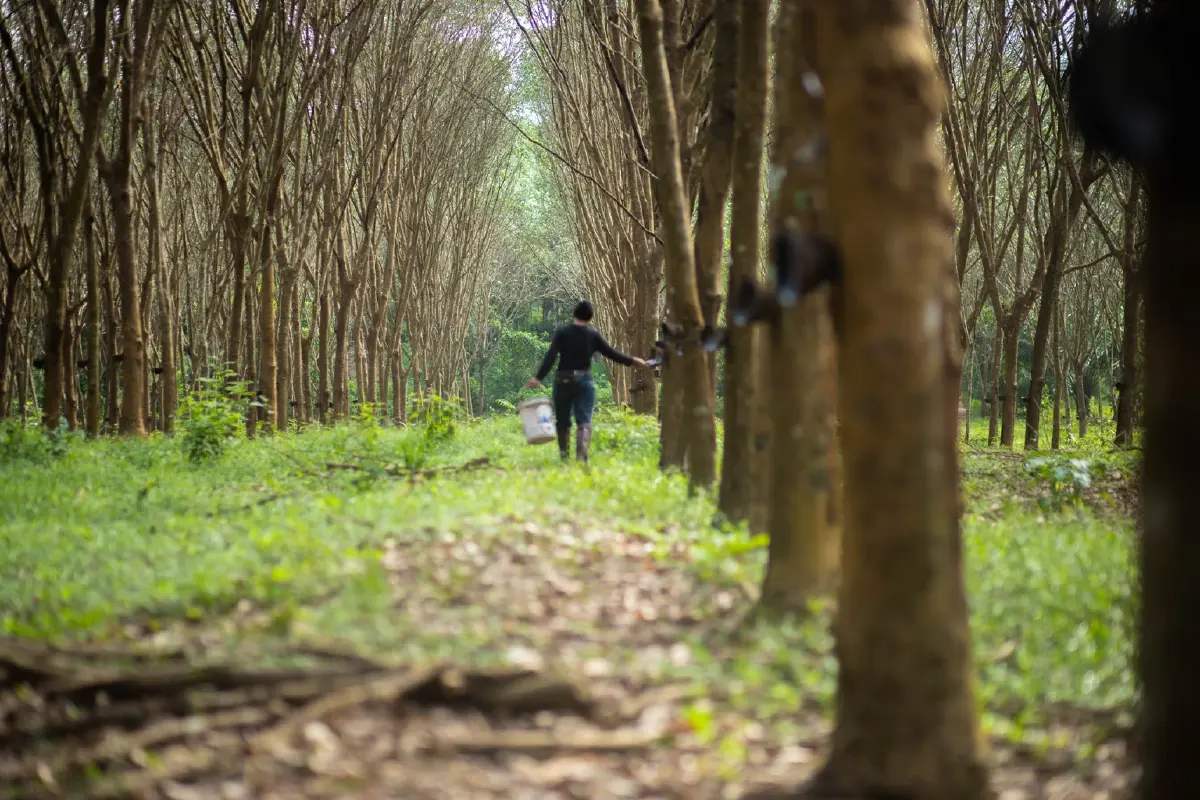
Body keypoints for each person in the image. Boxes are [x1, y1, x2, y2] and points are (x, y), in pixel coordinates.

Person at [525, 300, 646, 463]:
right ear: (590, 317)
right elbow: (612, 354)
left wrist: (538, 378)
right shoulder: (592, 335)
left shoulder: (562, 332)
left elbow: (550, 357)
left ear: (574, 313)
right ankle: (581, 458)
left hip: (563, 381)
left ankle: (564, 457)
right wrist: (632, 361)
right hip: (584, 382)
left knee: (562, 421)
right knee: (584, 421)